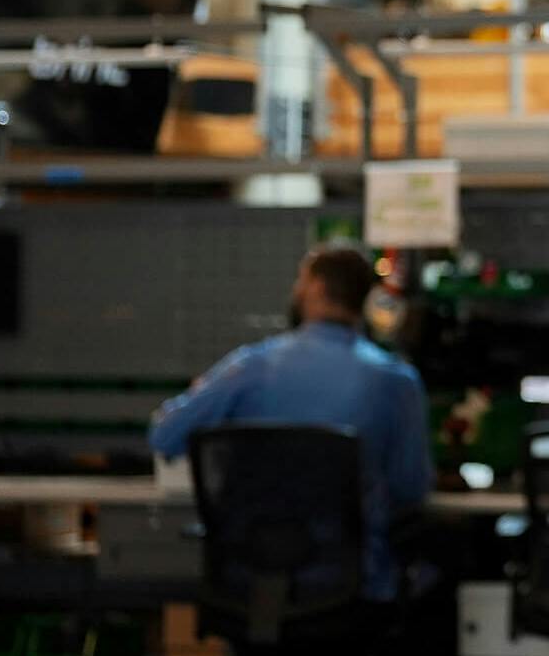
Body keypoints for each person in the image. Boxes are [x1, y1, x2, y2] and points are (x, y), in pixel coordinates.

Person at [150, 242, 434, 602]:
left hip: (248, 579)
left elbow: (165, 436)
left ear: (315, 287)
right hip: (351, 587)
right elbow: (410, 488)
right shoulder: (396, 381)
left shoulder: (249, 368)